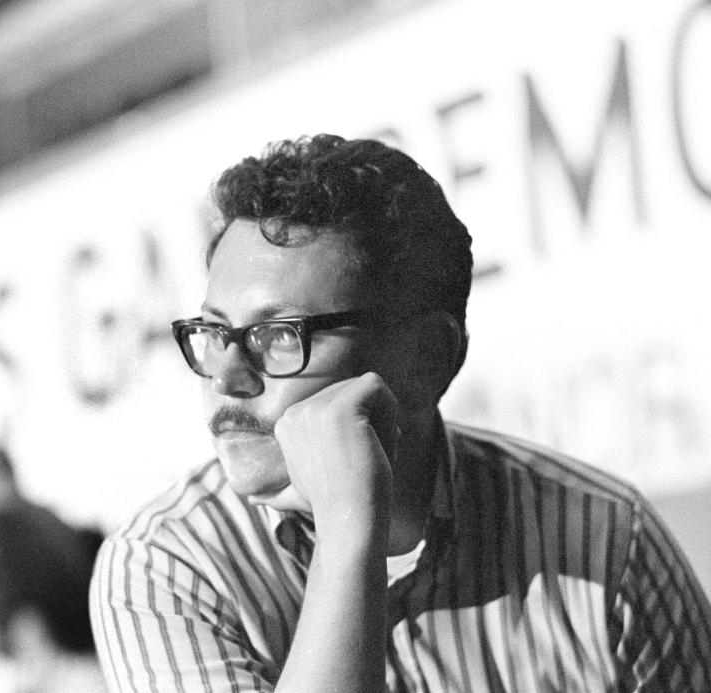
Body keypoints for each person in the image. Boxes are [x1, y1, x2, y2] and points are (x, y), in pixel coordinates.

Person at [90, 134, 711, 692]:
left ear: (426, 358)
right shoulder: (165, 566)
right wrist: (347, 537)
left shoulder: (604, 539)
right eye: (215, 331)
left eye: (278, 334)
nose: (225, 376)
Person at [0, 448, 106, 691]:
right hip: (89, 649)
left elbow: (12, 602)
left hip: (59, 656)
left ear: (3, 477)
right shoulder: (42, 515)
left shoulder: (7, 525)